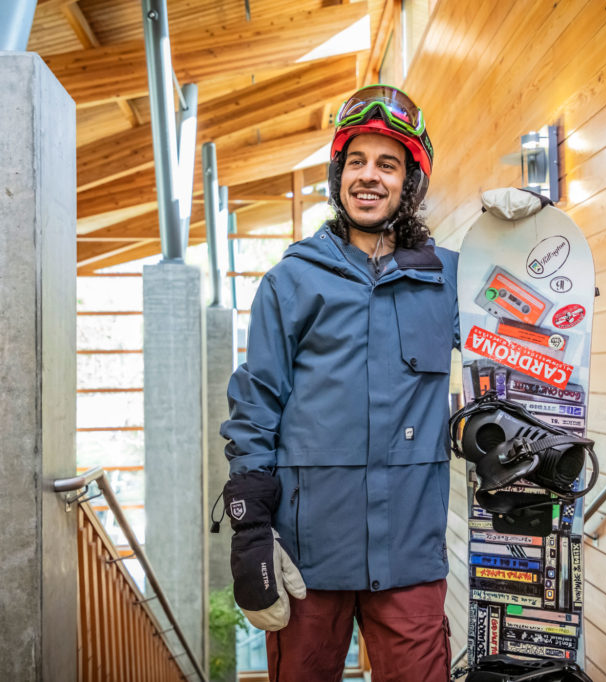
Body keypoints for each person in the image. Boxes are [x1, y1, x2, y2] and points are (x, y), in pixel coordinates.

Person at [219, 84, 459, 681]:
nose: (369, 176)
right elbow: (256, 405)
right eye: (356, 161)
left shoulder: (450, 280)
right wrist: (250, 530)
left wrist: (518, 240)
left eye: (387, 163)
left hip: (408, 555)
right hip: (309, 558)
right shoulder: (292, 282)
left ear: (411, 182)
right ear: (338, 175)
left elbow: (520, 327)